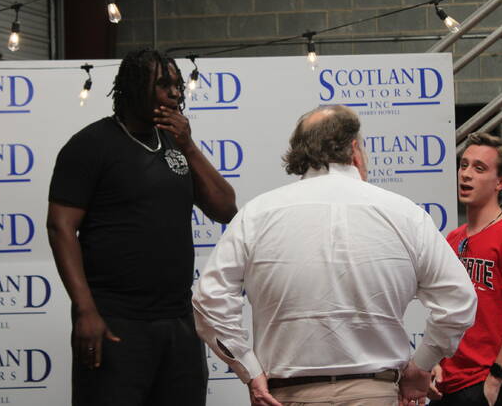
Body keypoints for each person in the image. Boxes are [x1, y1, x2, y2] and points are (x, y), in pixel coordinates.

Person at [192, 105, 477, 406]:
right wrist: (421, 364)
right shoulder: (404, 214)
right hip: (375, 394)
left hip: (286, 395)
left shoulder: (256, 215)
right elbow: (458, 301)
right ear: (354, 148)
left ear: (299, 152)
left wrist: (248, 367)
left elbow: (209, 301)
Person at [46, 49, 237, 406]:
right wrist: (85, 310)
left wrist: (188, 146)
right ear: (133, 87)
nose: (175, 93)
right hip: (115, 320)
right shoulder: (90, 145)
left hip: (178, 320)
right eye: (163, 84)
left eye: (178, 85)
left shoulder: (175, 145)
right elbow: (60, 228)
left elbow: (225, 209)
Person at [428, 132, 502, 406]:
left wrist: (496, 378)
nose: (466, 174)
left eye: (479, 168)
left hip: (492, 384)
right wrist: (436, 360)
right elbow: (447, 306)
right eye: (464, 165)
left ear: (501, 182)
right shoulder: (454, 239)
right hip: (451, 380)